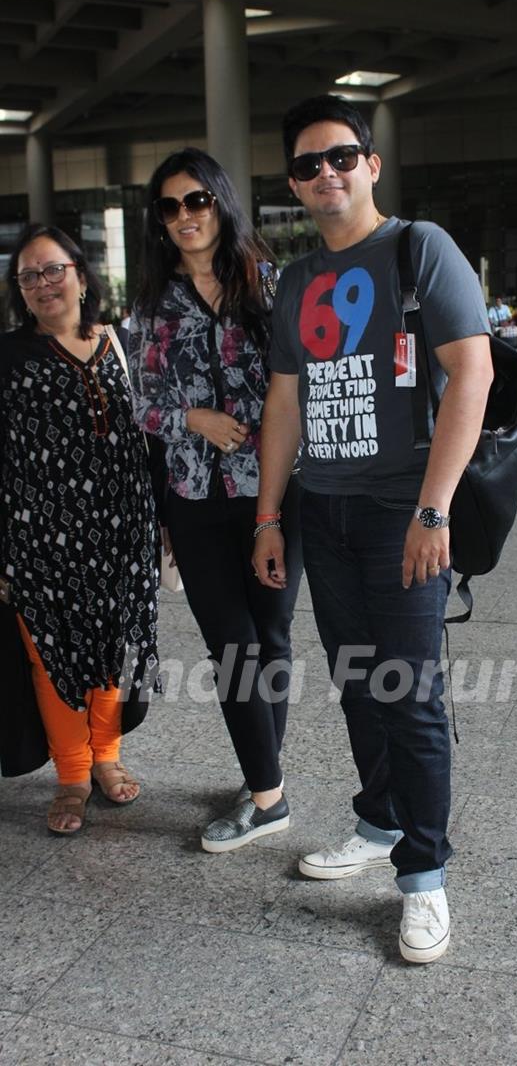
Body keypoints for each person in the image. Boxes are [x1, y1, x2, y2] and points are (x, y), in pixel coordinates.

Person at [252, 95, 493, 964]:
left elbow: (472, 373)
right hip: (326, 508)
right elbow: (286, 400)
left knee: (413, 695)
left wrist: (434, 509)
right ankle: (380, 821)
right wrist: (270, 516)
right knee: (361, 683)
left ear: (372, 164)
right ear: (294, 184)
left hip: (403, 508)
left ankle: (424, 878)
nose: (329, 174)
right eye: (310, 164)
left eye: (343, 156)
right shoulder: (294, 280)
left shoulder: (418, 247)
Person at [128, 148, 302, 853]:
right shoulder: (151, 303)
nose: (184, 217)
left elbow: (303, 381)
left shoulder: (273, 285)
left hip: (276, 493)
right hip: (195, 497)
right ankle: (268, 797)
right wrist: (193, 419)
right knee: (232, 646)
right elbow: (140, 402)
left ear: (220, 202)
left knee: (273, 640)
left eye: (195, 200)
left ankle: (265, 780)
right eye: (169, 207)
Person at [0, 224, 159, 834]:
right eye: (29, 276)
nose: (43, 284)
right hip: (38, 539)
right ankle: (71, 775)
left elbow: (154, 436)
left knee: (113, 653)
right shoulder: (8, 358)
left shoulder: (122, 344)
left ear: (81, 274)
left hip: (122, 533)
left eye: (53, 269)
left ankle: (106, 758)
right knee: (51, 655)